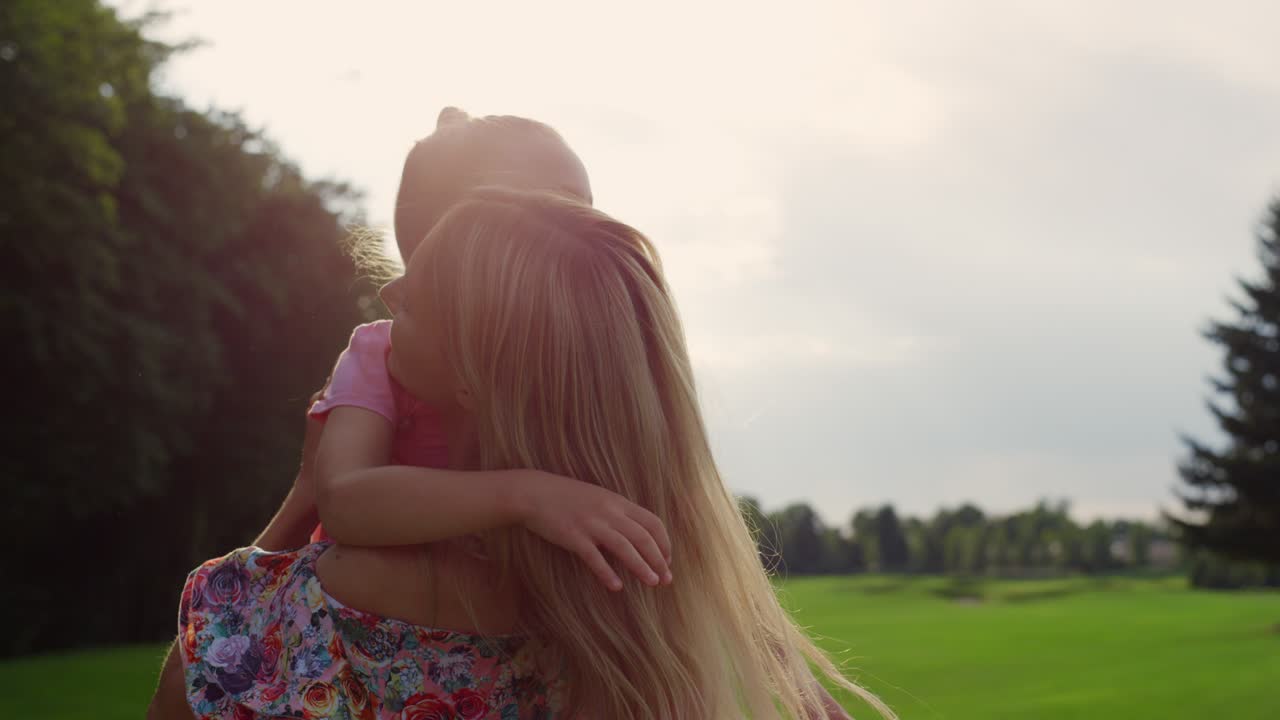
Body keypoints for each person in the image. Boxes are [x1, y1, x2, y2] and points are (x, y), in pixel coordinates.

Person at [152, 186, 893, 718]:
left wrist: (521, 491)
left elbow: (337, 500)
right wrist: (531, 491)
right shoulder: (635, 637)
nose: (390, 294)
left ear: (475, 382)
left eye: (422, 293)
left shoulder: (277, 617)